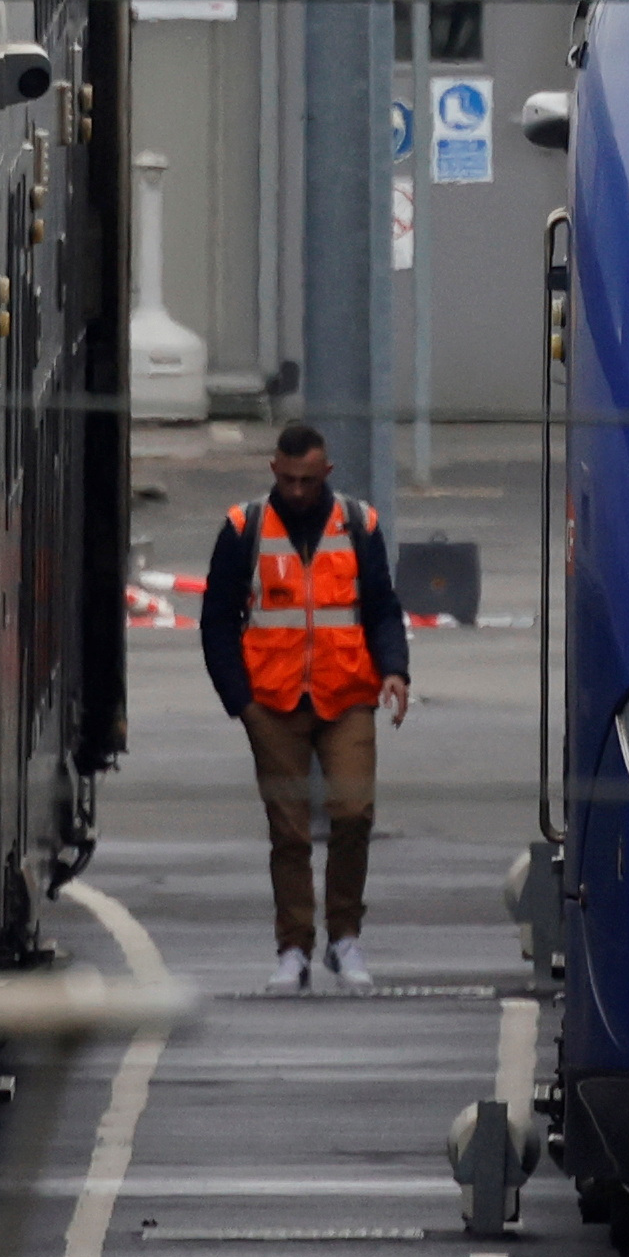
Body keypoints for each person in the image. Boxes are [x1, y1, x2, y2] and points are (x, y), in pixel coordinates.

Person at [201, 422, 412, 992]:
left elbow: (382, 608)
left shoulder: (359, 524)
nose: (297, 491)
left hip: (347, 695)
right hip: (272, 701)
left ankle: (345, 938)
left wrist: (393, 670)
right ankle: (294, 948)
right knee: (288, 830)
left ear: (327, 475)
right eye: (288, 479)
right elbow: (217, 622)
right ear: (274, 471)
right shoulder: (244, 527)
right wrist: (240, 702)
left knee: (352, 814)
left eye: (308, 480)